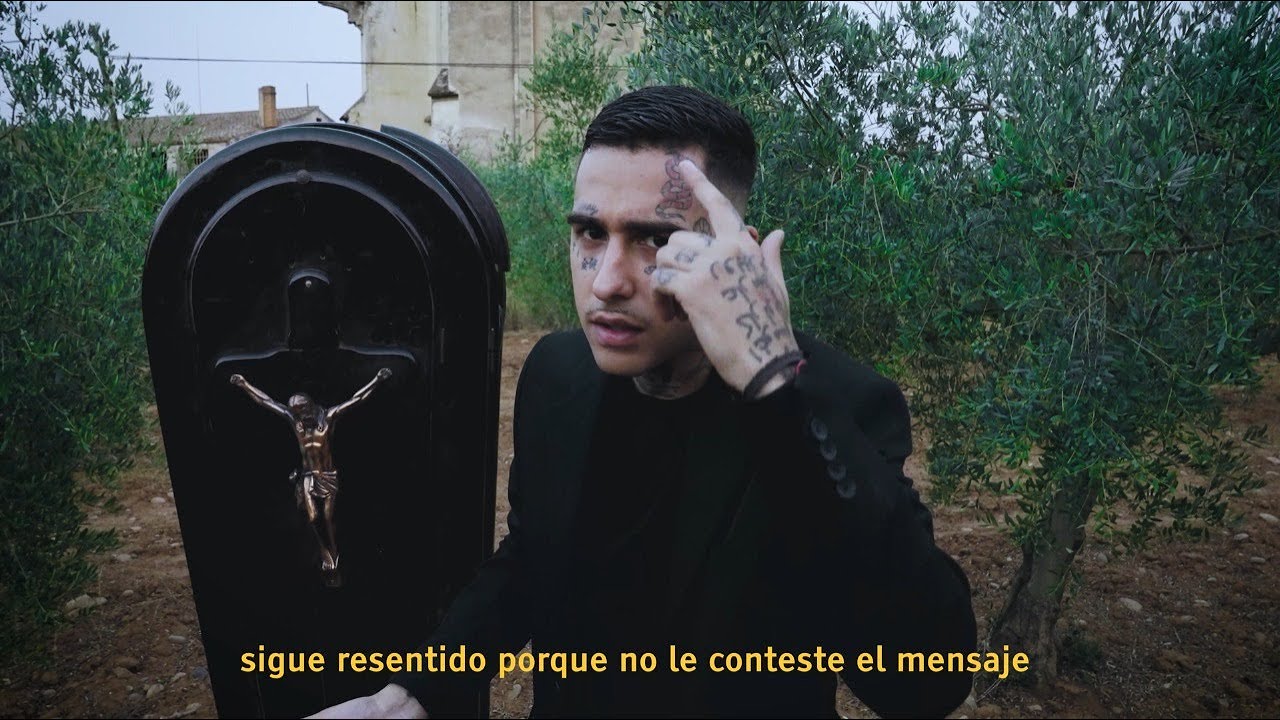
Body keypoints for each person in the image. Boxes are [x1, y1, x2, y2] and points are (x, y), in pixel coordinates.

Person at [310, 85, 976, 718]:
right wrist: (412, 695)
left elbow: (924, 684)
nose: (607, 282)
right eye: (590, 233)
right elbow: (534, 559)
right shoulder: (557, 375)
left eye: (654, 239)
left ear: (733, 257)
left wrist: (773, 382)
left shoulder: (837, 402)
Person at [230, 367, 392, 584]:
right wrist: (244, 384)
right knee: (313, 517)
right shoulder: (294, 422)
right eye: (296, 411)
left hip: (329, 476)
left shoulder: (329, 417)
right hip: (308, 476)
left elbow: (357, 399)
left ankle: (333, 552)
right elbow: (266, 401)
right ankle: (326, 553)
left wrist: (377, 380)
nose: (301, 414)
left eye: (303, 409)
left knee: (328, 517)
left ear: (310, 405)